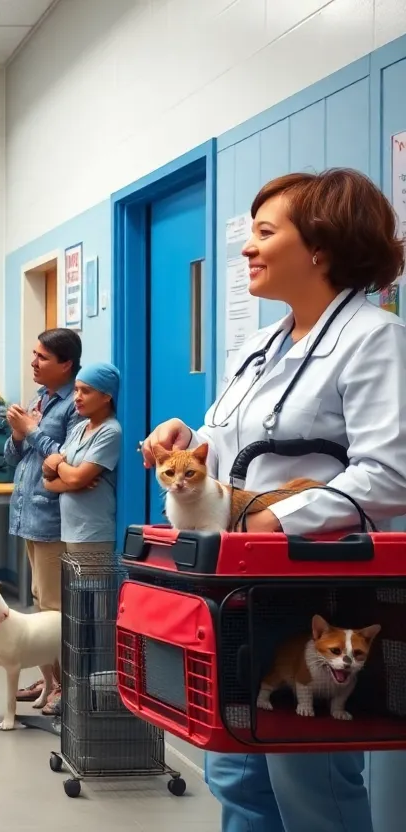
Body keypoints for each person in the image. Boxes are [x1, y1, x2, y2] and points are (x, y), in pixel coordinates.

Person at [140, 168, 406, 832]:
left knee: (307, 775)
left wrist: (268, 515)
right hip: (239, 590)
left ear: (319, 245)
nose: (247, 250)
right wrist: (186, 439)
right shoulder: (256, 347)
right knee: (236, 768)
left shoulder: (374, 339)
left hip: (313, 591)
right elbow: (227, 449)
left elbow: (390, 474)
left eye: (264, 232)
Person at [3, 327, 82, 709]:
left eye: (43, 357)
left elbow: (65, 458)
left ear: (66, 364)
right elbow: (14, 458)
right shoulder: (41, 398)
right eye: (33, 354)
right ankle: (47, 678)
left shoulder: (74, 406)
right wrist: (18, 435)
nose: (33, 362)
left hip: (52, 518)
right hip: (28, 513)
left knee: (54, 608)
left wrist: (31, 431)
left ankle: (64, 685)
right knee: (39, 600)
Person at [39, 361, 122, 717]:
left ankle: (95, 697)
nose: (77, 397)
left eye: (85, 391)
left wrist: (63, 470)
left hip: (94, 536)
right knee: (75, 616)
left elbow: (71, 479)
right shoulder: (81, 430)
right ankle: (75, 692)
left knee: (94, 619)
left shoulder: (110, 432)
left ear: (106, 396)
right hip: (70, 533)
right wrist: (65, 472)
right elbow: (50, 480)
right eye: (76, 390)